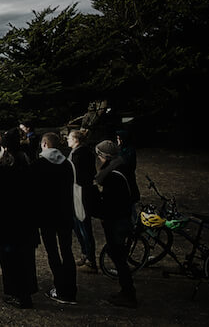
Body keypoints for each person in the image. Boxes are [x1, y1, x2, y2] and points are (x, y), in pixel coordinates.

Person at [0, 128, 39, 309]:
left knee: (9, 258)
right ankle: (25, 293)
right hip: (26, 219)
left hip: (6, 219)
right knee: (26, 258)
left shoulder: (0, 169)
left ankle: (15, 292)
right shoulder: (29, 167)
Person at [33, 132, 77, 304]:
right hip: (65, 213)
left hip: (46, 215)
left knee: (53, 252)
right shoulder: (67, 164)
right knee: (67, 251)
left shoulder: (38, 164)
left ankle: (60, 288)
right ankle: (71, 289)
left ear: (44, 144)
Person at [93, 139, 138, 308]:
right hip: (124, 216)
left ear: (104, 156)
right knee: (118, 254)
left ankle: (128, 293)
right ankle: (126, 290)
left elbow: (110, 203)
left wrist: (99, 207)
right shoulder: (123, 168)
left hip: (117, 220)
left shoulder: (113, 176)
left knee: (118, 255)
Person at [67, 129, 98, 272]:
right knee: (79, 225)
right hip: (79, 192)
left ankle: (90, 259)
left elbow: (78, 175)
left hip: (80, 193)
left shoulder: (80, 155)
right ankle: (86, 254)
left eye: (69, 138)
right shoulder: (81, 153)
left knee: (83, 226)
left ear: (76, 140)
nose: (67, 140)